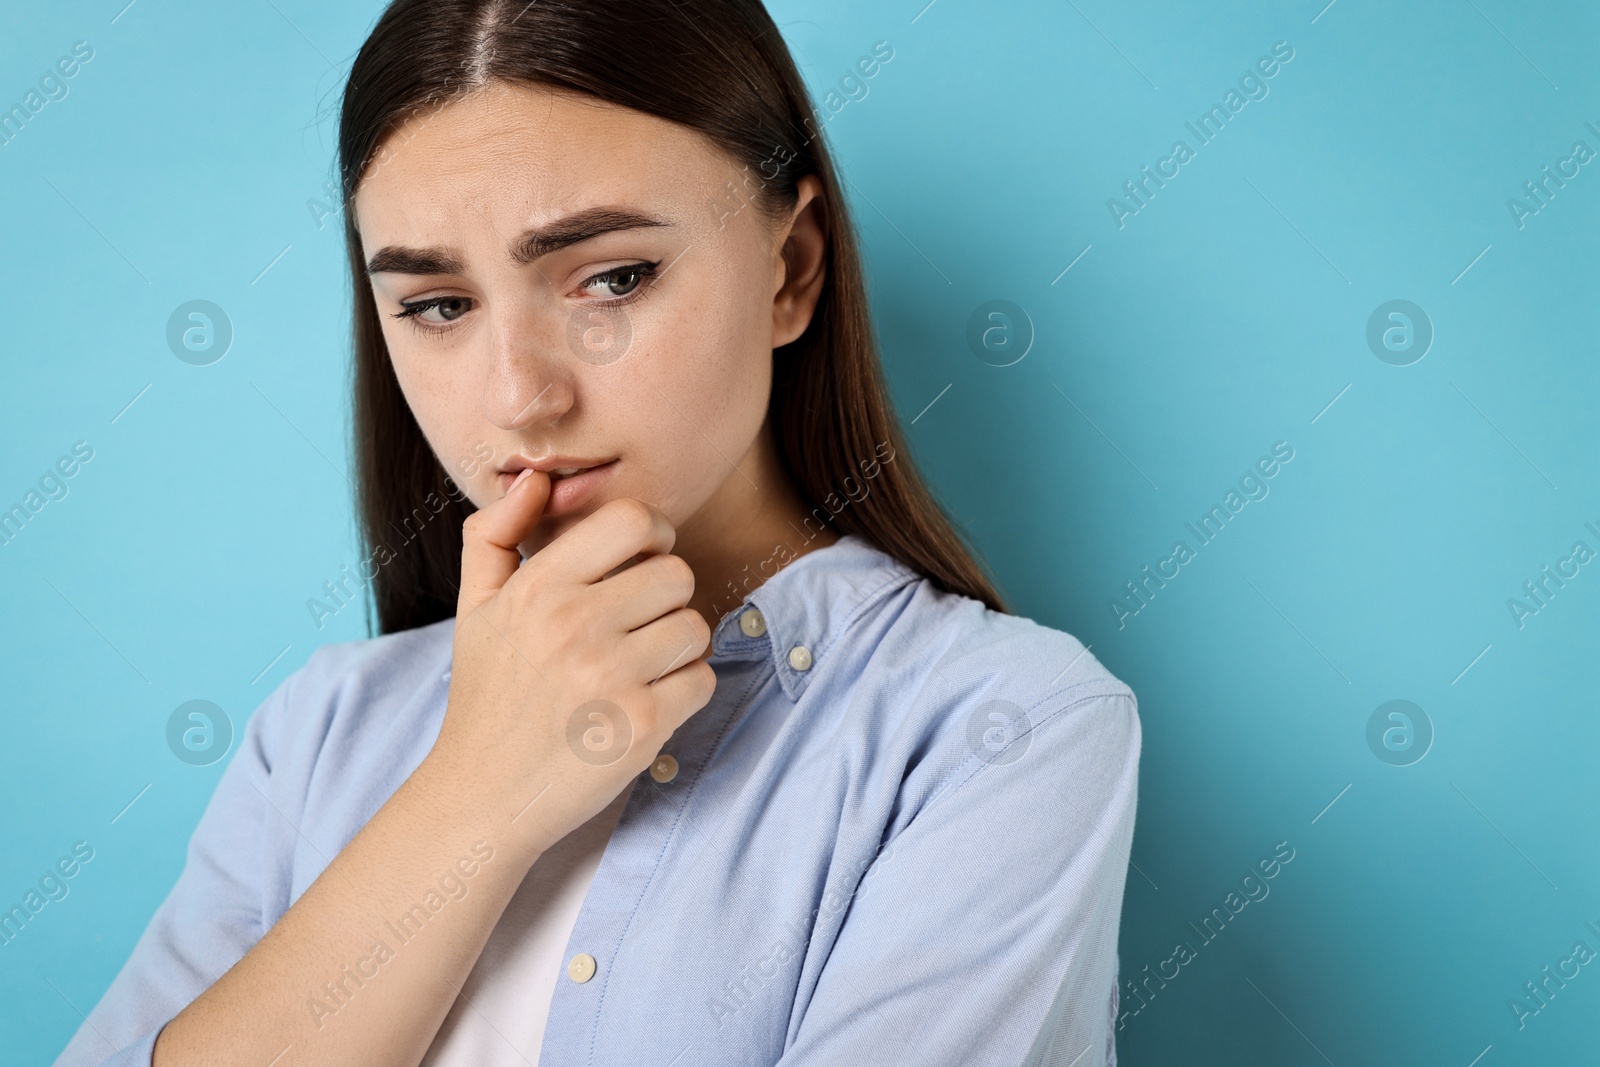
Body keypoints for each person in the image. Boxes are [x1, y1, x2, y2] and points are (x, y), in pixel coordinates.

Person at [55, 1, 1140, 1063]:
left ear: (790, 267)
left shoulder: (1001, 728)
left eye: (612, 278)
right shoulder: (318, 732)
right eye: (437, 304)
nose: (520, 397)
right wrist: (474, 792)